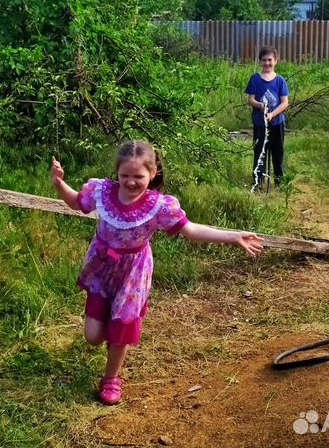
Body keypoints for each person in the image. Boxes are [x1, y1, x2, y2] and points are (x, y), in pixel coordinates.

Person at [50, 140, 264, 405]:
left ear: (152, 174)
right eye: (124, 175)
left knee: (123, 325)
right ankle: (111, 333)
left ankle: (111, 378)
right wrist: (60, 183)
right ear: (117, 172)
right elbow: (75, 202)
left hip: (133, 273)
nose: (130, 182)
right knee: (93, 336)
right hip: (102, 267)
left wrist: (233, 237)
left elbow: (191, 230)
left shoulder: (160, 206)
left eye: (138, 176)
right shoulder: (101, 191)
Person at [245, 46, 289, 187]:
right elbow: (250, 99)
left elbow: (284, 103)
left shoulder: (280, 80)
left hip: (277, 123)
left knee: (278, 153)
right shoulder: (255, 79)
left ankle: (279, 183)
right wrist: (259, 105)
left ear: (275, 61)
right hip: (260, 123)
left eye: (270, 60)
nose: (267, 63)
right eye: (264, 60)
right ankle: (258, 182)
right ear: (260, 61)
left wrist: (272, 114)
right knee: (259, 152)